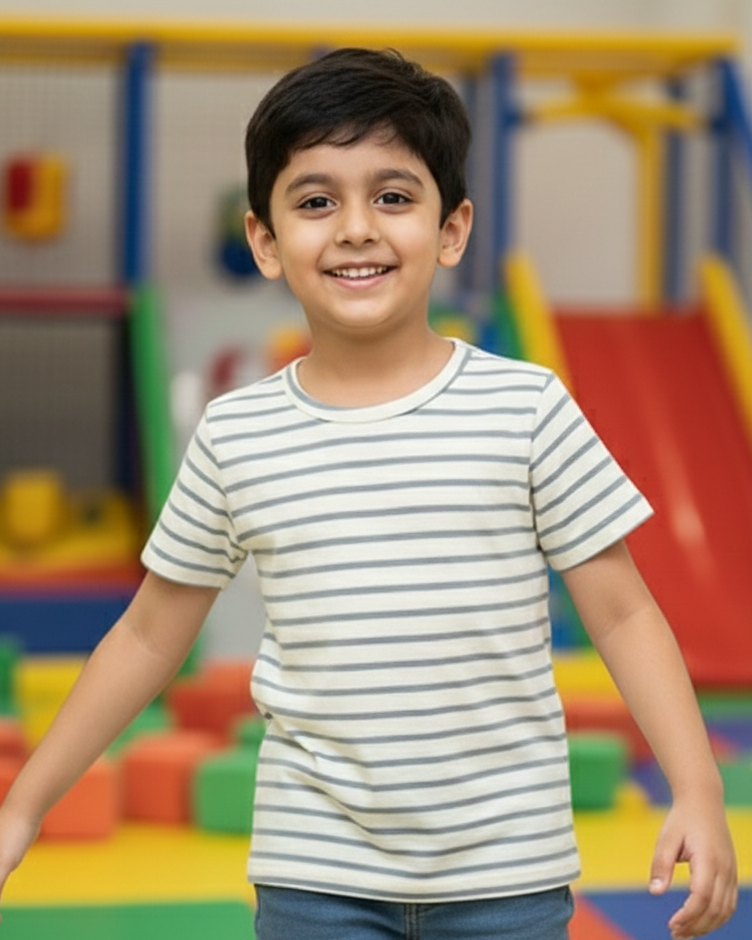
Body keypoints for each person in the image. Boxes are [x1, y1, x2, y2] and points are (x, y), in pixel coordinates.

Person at [0, 48, 737, 940]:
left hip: (509, 868)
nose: (356, 227)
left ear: (452, 229)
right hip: (316, 872)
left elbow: (623, 615)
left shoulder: (528, 406)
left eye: (393, 196)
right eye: (316, 201)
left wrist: (698, 790)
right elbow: (151, 635)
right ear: (265, 241)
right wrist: (26, 803)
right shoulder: (237, 435)